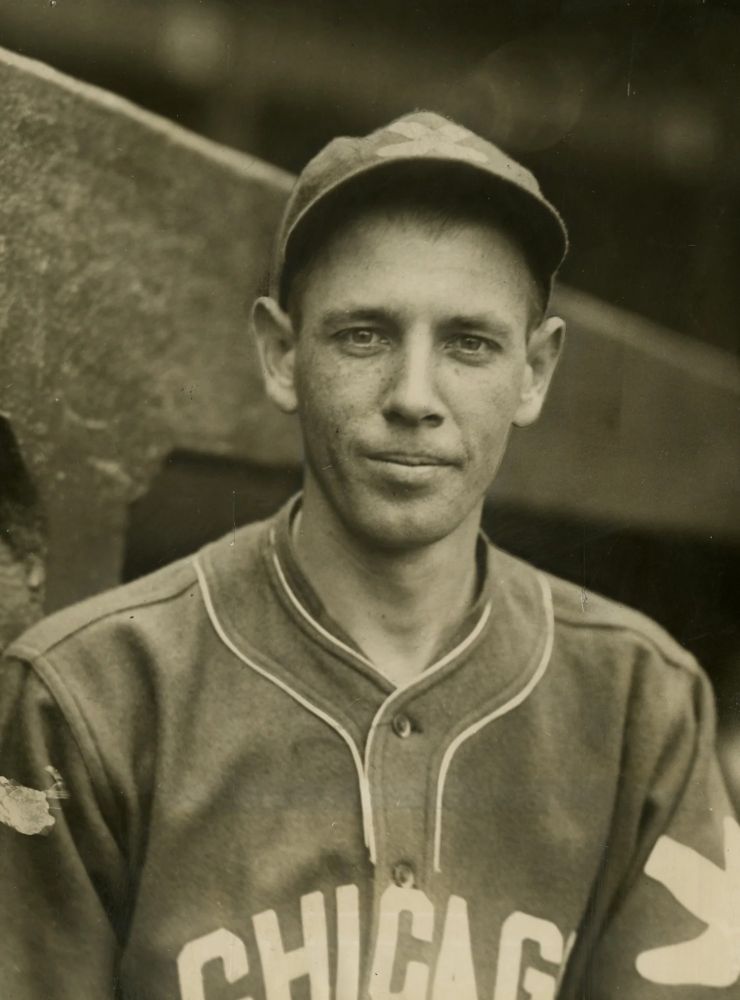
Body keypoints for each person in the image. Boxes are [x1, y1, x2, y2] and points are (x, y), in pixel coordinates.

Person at [0, 111, 737, 1000]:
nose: (414, 396)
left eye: (469, 344)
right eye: (364, 335)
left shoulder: (643, 704)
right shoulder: (91, 692)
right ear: (281, 355)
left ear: (535, 371)